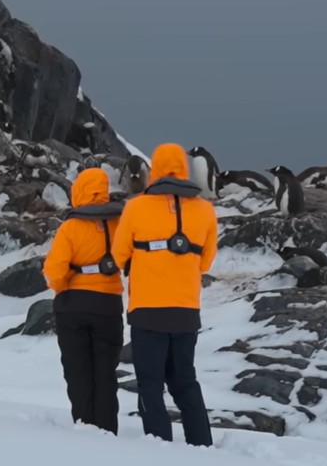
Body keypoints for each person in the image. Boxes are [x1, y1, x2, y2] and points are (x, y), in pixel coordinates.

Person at [111, 143, 219, 447]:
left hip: (147, 311)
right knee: (185, 381)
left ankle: (160, 447)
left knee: (150, 385)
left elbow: (119, 256)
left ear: (154, 169)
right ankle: (202, 445)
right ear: (184, 168)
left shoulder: (135, 207)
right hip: (186, 311)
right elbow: (206, 261)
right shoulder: (205, 210)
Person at [42, 167, 126, 434]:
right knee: (105, 372)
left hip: (73, 306)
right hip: (109, 306)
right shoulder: (119, 223)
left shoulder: (71, 227)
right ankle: (107, 430)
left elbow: (55, 272)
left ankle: (85, 428)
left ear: (78, 190)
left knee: (78, 372)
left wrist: (60, 284)